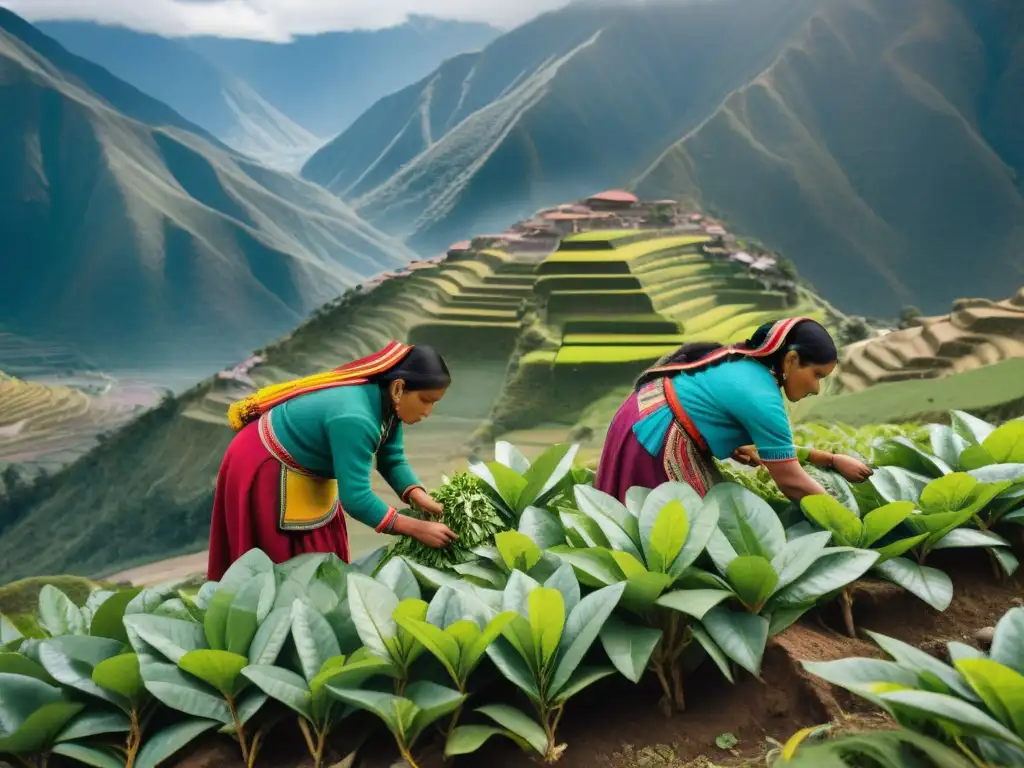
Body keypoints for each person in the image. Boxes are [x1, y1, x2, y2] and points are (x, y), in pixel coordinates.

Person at [207, 341, 458, 580]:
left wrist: (419, 495)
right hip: (266, 465)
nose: (427, 412)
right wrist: (416, 528)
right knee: (283, 565)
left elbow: (392, 458)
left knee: (322, 558)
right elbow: (357, 498)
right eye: (425, 401)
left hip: (306, 469)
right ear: (398, 388)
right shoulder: (355, 418)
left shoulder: (389, 406)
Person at [594, 316, 873, 503]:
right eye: (817, 375)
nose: (816, 388)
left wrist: (831, 460)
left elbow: (774, 453)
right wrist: (846, 522)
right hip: (656, 433)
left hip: (643, 414)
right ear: (791, 359)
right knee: (682, 526)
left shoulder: (746, 368)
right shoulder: (761, 396)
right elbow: (791, 480)